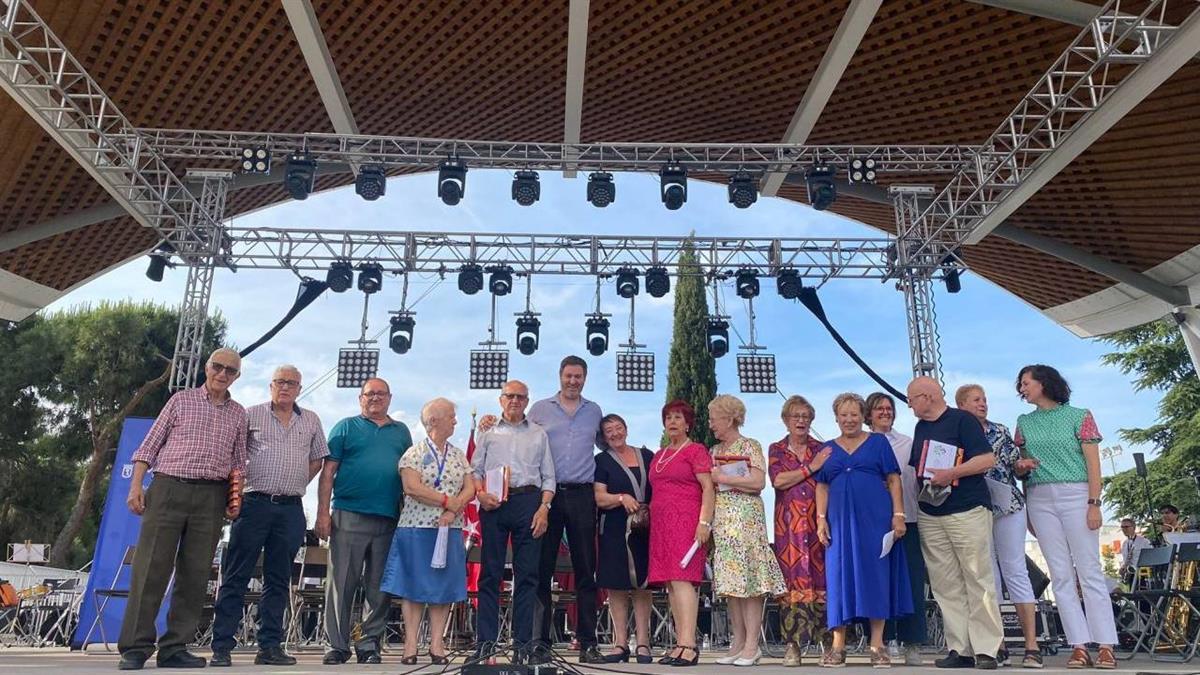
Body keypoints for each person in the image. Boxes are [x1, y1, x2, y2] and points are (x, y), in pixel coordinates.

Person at [117, 348, 247, 671]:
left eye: (230, 370)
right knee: (150, 568)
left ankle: (175, 647)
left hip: (212, 497)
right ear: (207, 367)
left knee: (196, 573)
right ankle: (135, 647)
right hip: (168, 488)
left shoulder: (239, 414)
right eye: (218, 366)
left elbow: (238, 462)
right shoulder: (180, 401)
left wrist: (235, 499)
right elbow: (148, 446)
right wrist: (136, 486)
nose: (223, 373)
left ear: (237, 377)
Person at [210, 365, 329, 668]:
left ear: (300, 388)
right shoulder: (251, 414)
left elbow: (318, 458)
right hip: (254, 504)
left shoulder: (312, 420)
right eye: (280, 382)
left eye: (292, 383)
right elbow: (234, 453)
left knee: (278, 580)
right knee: (236, 575)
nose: (285, 387)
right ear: (271, 386)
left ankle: (270, 646)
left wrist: (299, 479)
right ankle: (222, 646)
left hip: (291, 508)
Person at [1014, 364, 1118, 669]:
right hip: (1039, 496)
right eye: (1020, 385)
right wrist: (1024, 482)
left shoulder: (1079, 415)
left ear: (1044, 383)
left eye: (1026, 383)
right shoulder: (1023, 422)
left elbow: (1093, 463)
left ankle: (1106, 644)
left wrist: (1094, 503)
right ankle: (1078, 644)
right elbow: (1022, 465)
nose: (1022, 389)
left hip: (1077, 492)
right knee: (1059, 573)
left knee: (1089, 569)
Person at [315, 377, 412, 665]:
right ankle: (337, 646)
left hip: (388, 518)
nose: (375, 398)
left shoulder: (402, 432)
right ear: (360, 399)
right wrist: (323, 512)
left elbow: (408, 474)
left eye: (381, 394)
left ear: (390, 398)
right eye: (369, 394)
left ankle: (369, 644)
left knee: (379, 588)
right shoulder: (345, 427)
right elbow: (328, 472)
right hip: (348, 514)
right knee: (341, 584)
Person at [907, 376, 1002, 670]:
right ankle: (959, 648)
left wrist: (951, 473)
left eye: (911, 399)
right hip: (931, 512)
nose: (909, 404)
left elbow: (987, 460)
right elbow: (917, 468)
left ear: (927, 396)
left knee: (977, 577)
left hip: (966, 508)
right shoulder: (921, 427)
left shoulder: (963, 420)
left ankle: (987, 648)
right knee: (945, 583)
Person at [815, 392, 911, 668]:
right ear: (836, 418)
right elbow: (822, 485)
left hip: (875, 519)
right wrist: (821, 519)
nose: (849, 420)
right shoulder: (827, 449)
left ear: (863, 416)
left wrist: (899, 515)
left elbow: (893, 479)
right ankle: (837, 646)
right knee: (838, 577)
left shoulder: (878, 443)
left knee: (875, 576)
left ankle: (877, 644)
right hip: (839, 522)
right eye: (843, 415)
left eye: (854, 414)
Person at [381, 397, 475, 665]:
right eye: (451, 416)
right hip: (416, 528)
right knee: (413, 585)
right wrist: (446, 501)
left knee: (442, 586)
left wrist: (454, 509)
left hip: (450, 527)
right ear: (434, 420)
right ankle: (410, 643)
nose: (455, 421)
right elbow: (412, 487)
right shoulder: (413, 453)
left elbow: (469, 487)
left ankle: (437, 643)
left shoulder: (457, 455)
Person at [956, 384, 1041, 668]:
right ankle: (996, 643)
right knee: (987, 575)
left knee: (1015, 569)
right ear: (962, 405)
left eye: (985, 399)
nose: (983, 404)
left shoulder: (1000, 431)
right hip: (974, 509)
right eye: (976, 400)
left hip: (1007, 505)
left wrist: (1023, 466)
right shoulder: (955, 433)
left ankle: (1031, 645)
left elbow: (1014, 464)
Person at [527, 356, 605, 663]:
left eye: (579, 376)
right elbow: (523, 440)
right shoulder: (540, 409)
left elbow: (608, 443)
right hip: (548, 495)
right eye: (569, 376)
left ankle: (587, 642)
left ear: (585, 379)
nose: (573, 381)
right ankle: (539, 642)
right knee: (541, 569)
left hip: (583, 496)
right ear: (560, 376)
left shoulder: (594, 411)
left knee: (586, 570)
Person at [471, 380, 555, 664]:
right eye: (510, 396)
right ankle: (486, 644)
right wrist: (480, 494)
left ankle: (522, 645)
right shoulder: (488, 432)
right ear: (500, 399)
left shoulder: (538, 434)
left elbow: (549, 477)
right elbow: (475, 470)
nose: (515, 401)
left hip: (528, 503)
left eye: (521, 397)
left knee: (527, 577)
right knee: (490, 575)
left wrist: (544, 508)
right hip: (494, 505)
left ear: (527, 401)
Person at [708, 394, 786, 667]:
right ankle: (737, 642)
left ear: (729, 418)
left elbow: (758, 481)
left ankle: (752, 645)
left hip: (747, 521)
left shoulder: (750, 445)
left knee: (750, 583)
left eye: (714, 418)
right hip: (724, 523)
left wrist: (725, 478)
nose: (711, 424)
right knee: (731, 585)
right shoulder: (714, 451)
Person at [648, 400, 715, 668]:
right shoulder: (659, 454)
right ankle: (679, 642)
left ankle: (690, 645)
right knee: (671, 583)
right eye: (668, 418)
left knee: (683, 578)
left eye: (678, 418)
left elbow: (708, 488)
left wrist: (705, 523)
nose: (673, 422)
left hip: (687, 521)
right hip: (661, 524)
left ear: (688, 423)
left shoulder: (696, 450)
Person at [769, 395, 831, 667]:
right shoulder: (777, 449)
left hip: (819, 523)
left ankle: (829, 643)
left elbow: (826, 483)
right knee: (791, 583)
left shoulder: (823, 448)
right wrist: (811, 468)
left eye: (806, 416)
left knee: (824, 581)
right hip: (789, 529)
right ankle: (792, 645)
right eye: (796, 416)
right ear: (786, 420)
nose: (801, 421)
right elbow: (779, 481)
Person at [867, 391, 925, 667]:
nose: (885, 412)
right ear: (869, 414)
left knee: (912, 583)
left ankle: (913, 642)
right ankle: (882, 641)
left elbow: (915, 480)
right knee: (880, 584)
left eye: (889, 408)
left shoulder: (908, 443)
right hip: (874, 523)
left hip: (908, 519)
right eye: (879, 408)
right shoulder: (861, 444)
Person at [593, 414, 655, 665]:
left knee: (643, 585)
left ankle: (643, 643)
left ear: (627, 429)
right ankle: (620, 643)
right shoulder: (602, 461)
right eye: (609, 431)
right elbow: (599, 498)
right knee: (617, 586)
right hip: (614, 528)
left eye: (619, 427)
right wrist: (620, 498)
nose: (615, 433)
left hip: (644, 528)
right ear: (604, 437)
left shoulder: (647, 456)